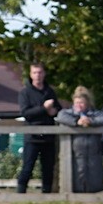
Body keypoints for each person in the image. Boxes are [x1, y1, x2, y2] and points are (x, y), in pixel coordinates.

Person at [16, 63, 62, 193]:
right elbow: (26, 113)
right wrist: (44, 108)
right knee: (28, 167)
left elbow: (58, 109)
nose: (38, 75)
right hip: (32, 136)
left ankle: (47, 194)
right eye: (35, 73)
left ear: (44, 74)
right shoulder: (25, 93)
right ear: (31, 75)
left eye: (40, 72)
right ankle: (20, 193)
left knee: (48, 168)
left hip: (48, 136)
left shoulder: (49, 91)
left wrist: (54, 111)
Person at [55, 86, 103, 193]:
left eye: (81, 103)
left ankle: (95, 192)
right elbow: (60, 116)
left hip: (93, 151)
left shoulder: (95, 113)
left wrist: (90, 121)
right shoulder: (67, 113)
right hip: (76, 151)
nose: (79, 105)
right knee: (78, 172)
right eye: (77, 103)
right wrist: (76, 122)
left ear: (87, 103)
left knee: (94, 172)